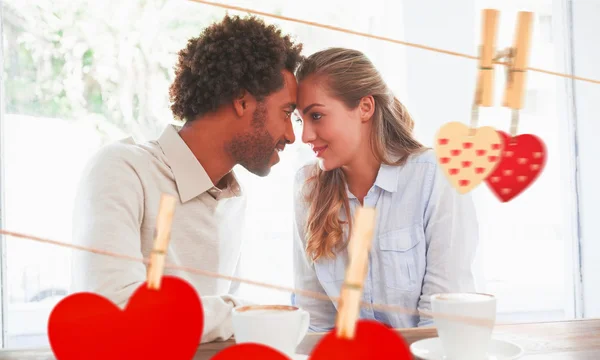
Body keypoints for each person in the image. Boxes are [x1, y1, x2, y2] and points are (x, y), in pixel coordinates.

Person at [71, 15, 303, 343]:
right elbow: (113, 312)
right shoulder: (122, 170)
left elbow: (215, 338)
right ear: (243, 101)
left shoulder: (233, 199)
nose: (292, 135)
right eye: (286, 112)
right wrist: (240, 312)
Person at [291, 48, 479, 331]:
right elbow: (314, 318)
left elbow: (441, 319)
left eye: (316, 116)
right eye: (299, 120)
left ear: (365, 107)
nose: (305, 135)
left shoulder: (434, 177)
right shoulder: (308, 185)